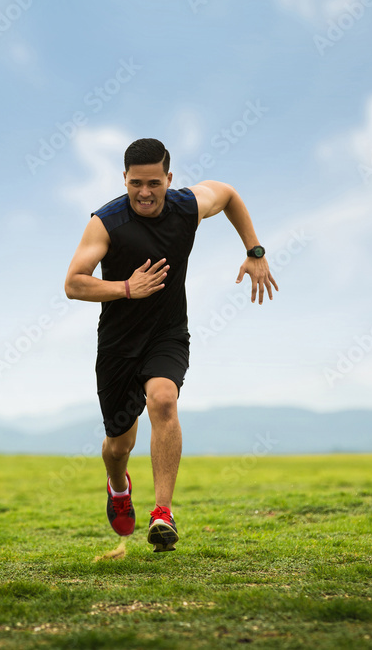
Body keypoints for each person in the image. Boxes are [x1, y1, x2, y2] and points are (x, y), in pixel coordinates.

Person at [64, 138, 277, 552]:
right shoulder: (106, 222)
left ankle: (163, 513)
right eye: (135, 183)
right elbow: (74, 282)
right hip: (118, 344)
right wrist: (126, 288)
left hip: (167, 334)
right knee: (118, 444)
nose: (145, 192)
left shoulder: (186, 206)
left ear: (169, 179)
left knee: (163, 400)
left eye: (154, 183)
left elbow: (228, 194)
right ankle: (118, 486)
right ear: (124, 180)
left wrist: (254, 250)